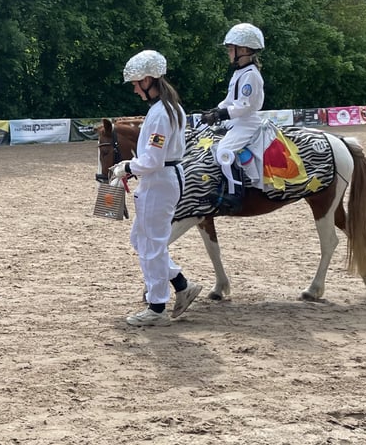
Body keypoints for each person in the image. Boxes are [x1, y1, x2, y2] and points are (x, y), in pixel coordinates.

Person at [110, 50, 202, 327]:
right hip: (161, 178)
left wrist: (127, 166)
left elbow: (152, 159)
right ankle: (181, 283)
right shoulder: (167, 108)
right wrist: (132, 165)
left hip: (160, 181)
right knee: (141, 241)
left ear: (148, 80)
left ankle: (157, 307)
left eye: (136, 84)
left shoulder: (161, 113)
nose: (135, 89)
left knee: (152, 245)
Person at [201, 23, 265, 212]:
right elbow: (229, 101)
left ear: (243, 50)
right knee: (212, 143)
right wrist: (214, 111)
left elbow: (243, 106)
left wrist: (220, 114)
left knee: (224, 150)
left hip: (247, 121)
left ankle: (235, 193)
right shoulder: (240, 72)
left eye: (231, 49)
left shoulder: (251, 75)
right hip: (237, 120)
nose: (229, 53)